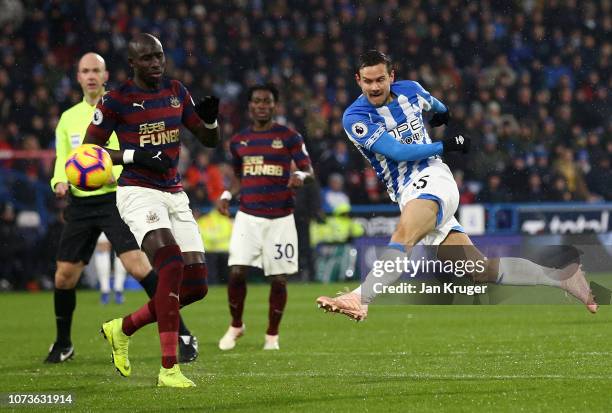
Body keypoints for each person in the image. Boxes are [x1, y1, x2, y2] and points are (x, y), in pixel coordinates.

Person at [316, 50, 596, 321]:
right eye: (367, 81)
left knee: (404, 235)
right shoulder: (355, 118)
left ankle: (360, 298)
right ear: (358, 80)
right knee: (479, 270)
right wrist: (447, 142)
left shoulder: (411, 89)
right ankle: (562, 277)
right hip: (407, 192)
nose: (374, 87)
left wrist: (442, 115)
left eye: (380, 79)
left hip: (432, 179)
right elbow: (398, 152)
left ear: (392, 75)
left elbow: (437, 105)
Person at [83, 33, 219, 388]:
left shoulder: (176, 90)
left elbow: (207, 139)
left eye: (159, 56)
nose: (156, 63)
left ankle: (122, 328)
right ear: (132, 64)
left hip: (174, 192)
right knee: (171, 265)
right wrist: (132, 155)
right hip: (138, 192)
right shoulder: (116, 100)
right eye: (147, 59)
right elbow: (87, 152)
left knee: (197, 285)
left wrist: (212, 121)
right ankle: (169, 369)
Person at [46, 52, 198, 365]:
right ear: (78, 77)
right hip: (82, 201)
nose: (90, 76)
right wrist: (60, 181)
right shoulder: (68, 118)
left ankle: (182, 332)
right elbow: (64, 158)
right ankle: (63, 343)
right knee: (64, 277)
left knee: (140, 268)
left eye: (96, 71)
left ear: (105, 76)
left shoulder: (118, 105)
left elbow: (130, 148)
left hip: (117, 195)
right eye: (85, 70)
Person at [216, 84, 313, 351]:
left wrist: (300, 176)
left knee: (279, 279)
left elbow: (309, 170)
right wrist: (226, 194)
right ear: (249, 106)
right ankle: (236, 325)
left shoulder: (290, 137)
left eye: (267, 101)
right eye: (257, 101)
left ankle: (272, 335)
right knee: (236, 272)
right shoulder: (238, 142)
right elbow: (238, 177)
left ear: (275, 105)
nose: (261, 105)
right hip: (248, 216)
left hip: (281, 218)